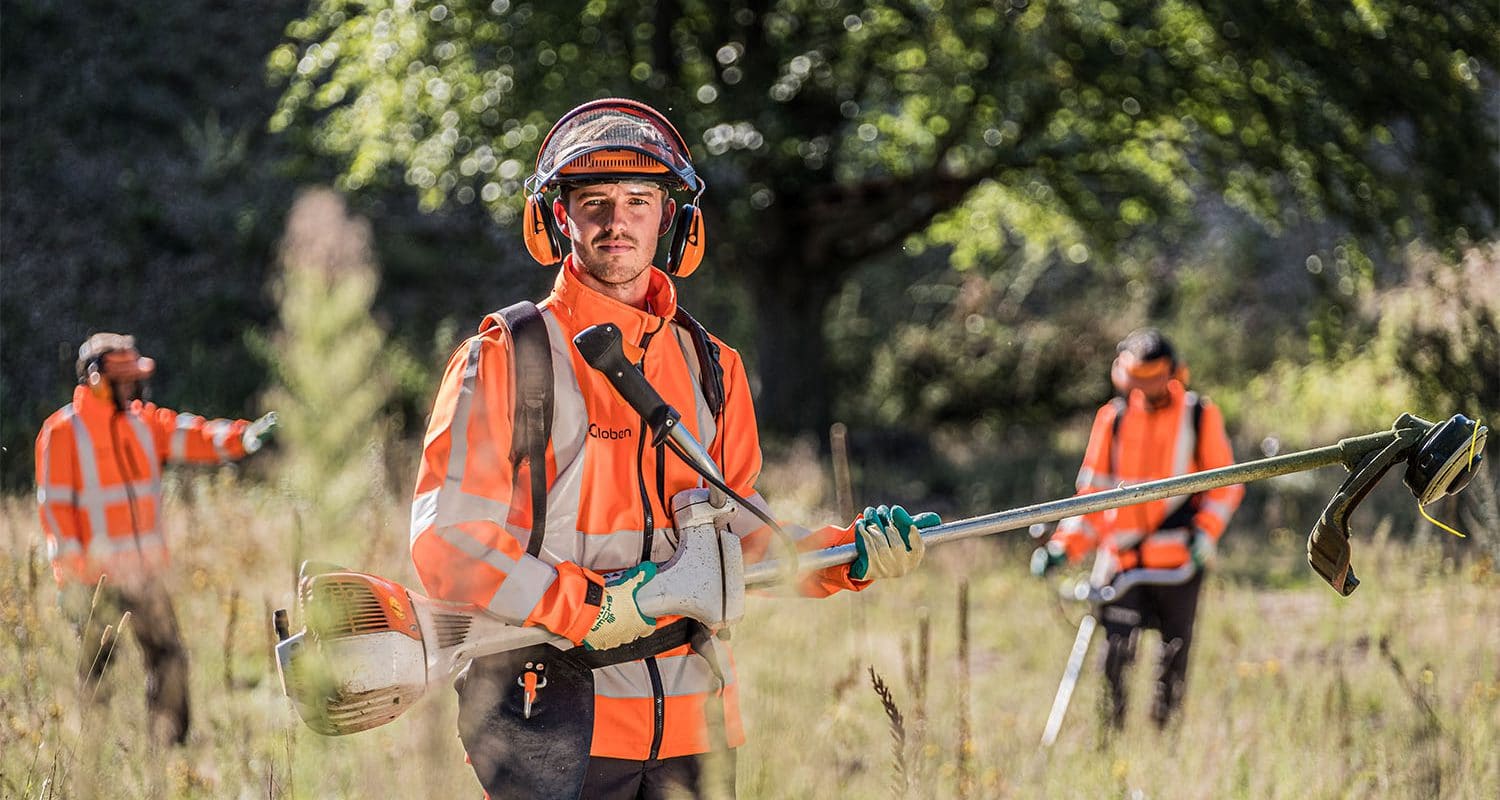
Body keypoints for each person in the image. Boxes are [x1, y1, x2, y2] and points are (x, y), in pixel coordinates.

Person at [409, 98, 938, 799]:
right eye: (593, 200)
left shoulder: (712, 367)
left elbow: (742, 538)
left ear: (672, 218)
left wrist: (849, 555)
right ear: (556, 217)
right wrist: (587, 607)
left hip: (698, 730)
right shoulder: (509, 359)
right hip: (551, 725)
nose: (616, 220)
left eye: (639, 199)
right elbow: (448, 541)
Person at [35, 332, 278, 745]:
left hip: (145, 574)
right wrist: (71, 581)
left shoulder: (144, 422)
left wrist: (243, 437)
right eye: (125, 380)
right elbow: (55, 512)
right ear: (97, 380)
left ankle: (171, 751)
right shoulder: (62, 432)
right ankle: (86, 756)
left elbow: (194, 435)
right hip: (95, 582)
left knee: (169, 661)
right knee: (95, 674)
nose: (132, 388)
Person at [1032, 328, 1243, 730]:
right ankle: (1108, 746)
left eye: (1152, 379)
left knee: (1173, 661)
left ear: (1173, 373)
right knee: (1114, 658)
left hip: (1179, 563)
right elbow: (1091, 498)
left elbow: (1226, 485)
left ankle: (1166, 746)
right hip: (1123, 563)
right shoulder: (1112, 420)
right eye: (1136, 380)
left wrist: (1205, 535)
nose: (1144, 389)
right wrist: (1063, 546)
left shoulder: (1199, 415)